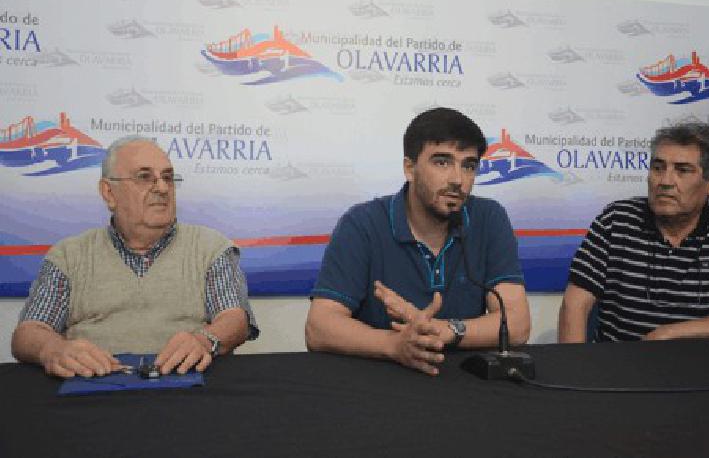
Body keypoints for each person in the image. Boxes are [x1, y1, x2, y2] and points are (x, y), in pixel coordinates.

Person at [305, 107, 531, 375]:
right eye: (442, 162)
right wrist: (394, 344)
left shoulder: (489, 218)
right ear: (409, 168)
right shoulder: (363, 223)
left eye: (468, 165)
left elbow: (516, 325)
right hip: (376, 383)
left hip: (463, 384)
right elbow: (319, 327)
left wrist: (443, 330)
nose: (457, 180)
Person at [11, 135, 257, 377]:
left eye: (168, 178)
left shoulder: (211, 247)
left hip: (186, 386)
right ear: (109, 193)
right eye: (144, 177)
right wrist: (53, 349)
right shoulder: (68, 255)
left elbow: (235, 320)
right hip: (92, 390)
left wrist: (205, 340)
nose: (162, 188)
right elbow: (29, 332)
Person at [558, 122, 709, 342]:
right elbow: (575, 304)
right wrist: (575, 368)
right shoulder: (616, 220)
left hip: (706, 371)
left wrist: (672, 333)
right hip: (620, 369)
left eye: (682, 170)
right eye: (658, 168)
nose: (665, 181)